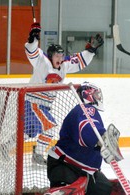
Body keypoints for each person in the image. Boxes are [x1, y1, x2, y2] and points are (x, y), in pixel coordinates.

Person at [30, 82, 128, 195]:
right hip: (65, 165)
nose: (99, 97)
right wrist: (100, 141)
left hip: (87, 172)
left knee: (108, 193)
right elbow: (85, 128)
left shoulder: (90, 112)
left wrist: (106, 148)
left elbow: (94, 132)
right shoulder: (85, 110)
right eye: (96, 94)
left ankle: (82, 191)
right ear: (87, 94)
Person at [24, 22, 104, 165]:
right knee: (51, 127)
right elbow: (32, 51)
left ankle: (6, 146)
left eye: (61, 55)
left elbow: (79, 61)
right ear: (50, 56)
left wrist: (91, 50)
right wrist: (33, 39)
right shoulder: (42, 61)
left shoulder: (64, 65)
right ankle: (37, 155)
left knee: (28, 132)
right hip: (33, 103)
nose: (60, 58)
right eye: (57, 56)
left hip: (43, 106)